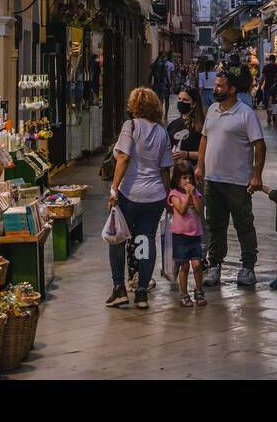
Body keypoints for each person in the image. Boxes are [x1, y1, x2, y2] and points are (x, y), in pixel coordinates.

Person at [195, 67, 265, 288]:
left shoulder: (246, 113)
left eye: (219, 86)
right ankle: (215, 265)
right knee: (215, 224)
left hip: (237, 181)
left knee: (243, 224)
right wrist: (199, 166)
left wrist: (256, 175)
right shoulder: (213, 110)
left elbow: (259, 145)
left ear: (232, 89)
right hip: (212, 179)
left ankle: (247, 267)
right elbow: (205, 139)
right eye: (215, 85)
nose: (214, 89)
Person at [105, 87, 173, 311]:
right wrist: (167, 196)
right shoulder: (162, 132)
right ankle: (142, 291)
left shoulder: (130, 126)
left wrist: (114, 190)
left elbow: (123, 158)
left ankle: (119, 289)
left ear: (134, 106)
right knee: (145, 240)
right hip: (154, 196)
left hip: (130, 194)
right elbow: (165, 169)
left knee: (118, 239)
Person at [168, 161, 206, 307]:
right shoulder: (174, 194)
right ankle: (184, 293)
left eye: (189, 178)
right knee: (184, 266)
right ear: (177, 179)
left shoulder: (196, 193)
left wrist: (193, 195)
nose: (188, 181)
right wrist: (188, 197)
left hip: (195, 234)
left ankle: (199, 290)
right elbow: (182, 210)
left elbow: (198, 210)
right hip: (180, 236)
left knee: (197, 264)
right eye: (184, 178)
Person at [167, 86, 205, 165]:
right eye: (179, 99)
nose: (181, 102)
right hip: (175, 170)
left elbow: (207, 153)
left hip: (193, 171)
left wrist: (187, 154)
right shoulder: (173, 125)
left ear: (194, 104)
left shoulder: (201, 127)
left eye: (185, 100)